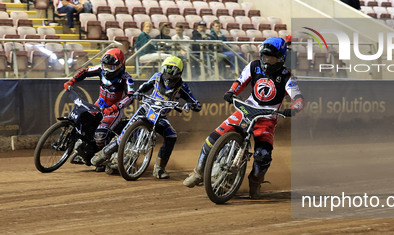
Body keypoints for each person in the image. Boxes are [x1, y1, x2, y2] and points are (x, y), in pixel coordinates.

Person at [183, 37, 305, 199]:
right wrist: (231, 92)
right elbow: (240, 81)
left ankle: (255, 183)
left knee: (263, 155)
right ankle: (198, 172)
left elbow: (298, 97)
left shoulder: (286, 75)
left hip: (267, 118)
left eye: (271, 58)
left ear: (281, 59)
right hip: (245, 110)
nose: (267, 61)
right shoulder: (254, 65)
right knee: (212, 139)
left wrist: (295, 108)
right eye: (264, 56)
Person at [91, 56, 202, 179]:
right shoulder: (156, 77)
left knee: (171, 136)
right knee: (126, 131)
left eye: (172, 72)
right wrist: (138, 92)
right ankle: (103, 154)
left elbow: (194, 101)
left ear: (179, 74)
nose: (168, 75)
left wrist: (193, 105)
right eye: (166, 71)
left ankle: (159, 168)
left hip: (161, 117)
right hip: (145, 109)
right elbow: (144, 86)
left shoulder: (182, 87)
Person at [63, 48, 134, 168]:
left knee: (100, 135)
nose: (106, 69)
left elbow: (130, 96)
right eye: (105, 65)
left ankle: (104, 159)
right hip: (98, 105)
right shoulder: (100, 69)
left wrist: (114, 108)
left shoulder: (127, 78)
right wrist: (72, 81)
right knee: (84, 124)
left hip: (113, 111)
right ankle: (87, 151)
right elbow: (85, 72)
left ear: (120, 66)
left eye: (110, 67)